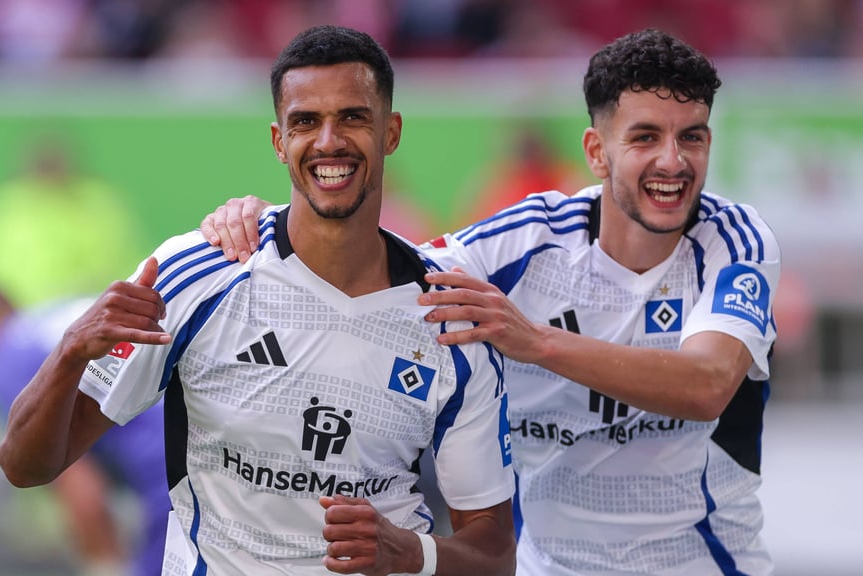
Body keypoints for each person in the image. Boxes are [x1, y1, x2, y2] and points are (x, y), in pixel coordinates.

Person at [201, 28, 780, 576]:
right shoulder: (523, 244)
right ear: (597, 153)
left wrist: (535, 342)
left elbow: (707, 385)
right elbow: (377, 268)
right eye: (646, 137)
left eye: (693, 137)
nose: (673, 162)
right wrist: (266, 220)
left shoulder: (733, 240)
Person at [0, 25, 516, 576]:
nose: (328, 141)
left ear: (391, 132)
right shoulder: (194, 274)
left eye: (353, 117)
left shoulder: (452, 312)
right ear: (278, 141)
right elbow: (25, 464)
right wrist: (71, 350)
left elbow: (493, 550)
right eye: (305, 122)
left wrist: (414, 553)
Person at [0, 285, 169, 576]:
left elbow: (83, 495)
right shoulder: (53, 323)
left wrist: (106, 568)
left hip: (172, 475)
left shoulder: (2, 363)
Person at [0, 135, 145, 308]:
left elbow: (118, 262)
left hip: (78, 315)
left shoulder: (97, 203)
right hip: (13, 320)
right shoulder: (5, 203)